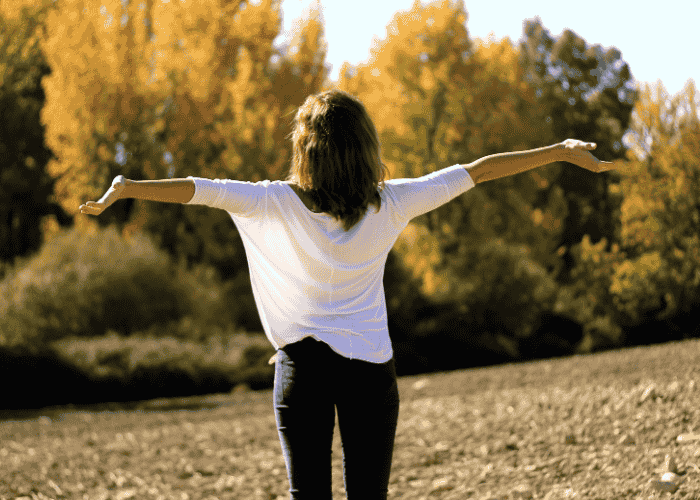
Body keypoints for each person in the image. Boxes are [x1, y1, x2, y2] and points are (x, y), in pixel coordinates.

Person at [79, 89, 615, 499]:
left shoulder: (271, 202)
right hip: (370, 372)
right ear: (365, 148)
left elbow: (198, 189)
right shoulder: (393, 202)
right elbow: (478, 171)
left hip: (301, 370)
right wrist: (559, 152)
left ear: (305, 149)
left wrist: (128, 188)